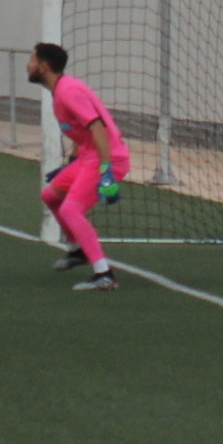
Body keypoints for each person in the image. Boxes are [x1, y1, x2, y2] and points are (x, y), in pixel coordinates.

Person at [29, 42, 129, 292]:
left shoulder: (68, 92)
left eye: (32, 61)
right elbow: (82, 131)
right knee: (51, 196)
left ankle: (104, 274)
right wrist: (72, 164)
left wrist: (106, 169)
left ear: (44, 66)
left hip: (106, 158)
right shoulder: (60, 91)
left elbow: (97, 128)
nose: (28, 66)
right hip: (87, 157)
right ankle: (78, 251)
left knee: (71, 209)